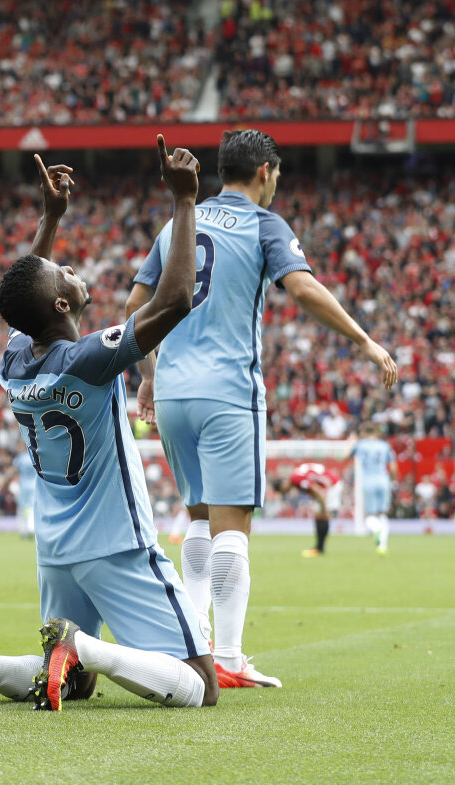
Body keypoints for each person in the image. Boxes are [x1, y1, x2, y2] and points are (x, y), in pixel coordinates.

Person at [0, 139, 219, 710]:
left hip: (56, 546)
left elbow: (23, 297)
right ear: (61, 306)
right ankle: (82, 646)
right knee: (200, 684)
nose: (72, 270)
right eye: (64, 273)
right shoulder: (88, 359)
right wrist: (184, 201)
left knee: (72, 685)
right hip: (115, 543)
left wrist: (50, 218)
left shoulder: (14, 364)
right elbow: (175, 299)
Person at [125, 128, 398, 689]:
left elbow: (136, 305)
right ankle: (226, 657)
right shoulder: (263, 223)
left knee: (197, 519)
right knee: (232, 528)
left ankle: (192, 645)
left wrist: (147, 377)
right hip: (228, 390)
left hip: (174, 391)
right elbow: (300, 288)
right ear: (267, 171)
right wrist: (365, 341)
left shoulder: (179, 220)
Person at [349, 422, 397, 554]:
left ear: (364, 432)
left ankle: (376, 530)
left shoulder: (360, 445)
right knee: (382, 514)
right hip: (383, 480)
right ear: (376, 432)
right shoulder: (385, 446)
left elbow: (345, 456)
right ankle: (383, 546)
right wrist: (393, 482)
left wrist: (351, 442)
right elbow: (393, 467)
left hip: (368, 481)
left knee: (370, 516)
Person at [284, 462, 342, 558]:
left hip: (332, 486)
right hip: (329, 483)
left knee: (321, 515)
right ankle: (319, 548)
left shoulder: (295, 478)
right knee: (319, 515)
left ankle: (320, 548)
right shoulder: (298, 473)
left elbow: (317, 491)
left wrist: (324, 508)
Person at [10, 447, 37, 538]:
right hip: (34, 484)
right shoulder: (35, 456)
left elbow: (14, 470)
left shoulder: (20, 457)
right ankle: (31, 528)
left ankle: (23, 530)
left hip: (23, 485)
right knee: (32, 507)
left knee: (22, 507)